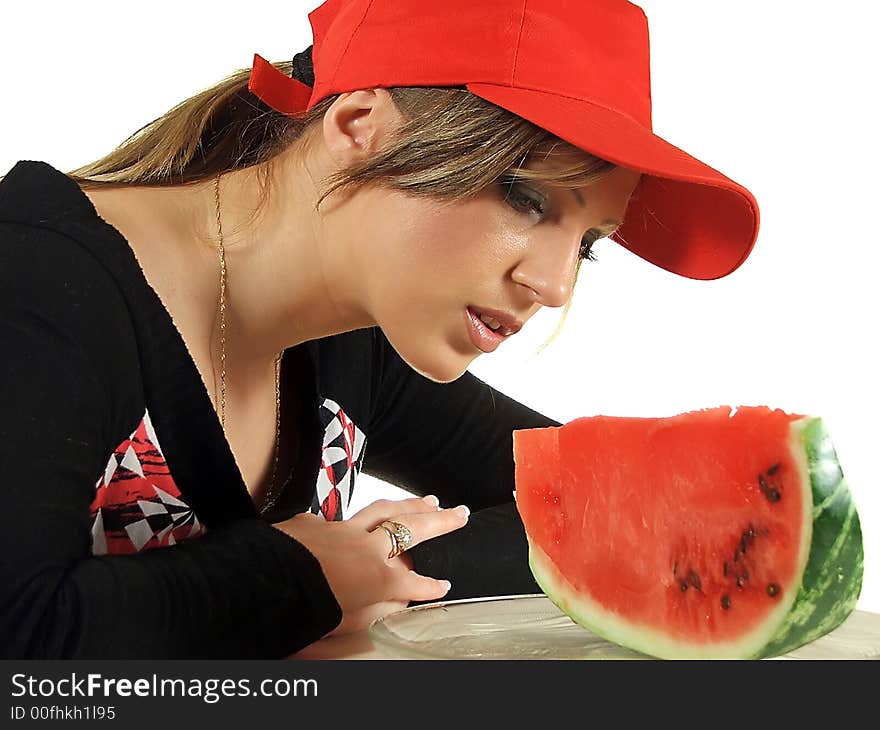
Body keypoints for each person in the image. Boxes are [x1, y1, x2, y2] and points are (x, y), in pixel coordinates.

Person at [0, 0, 758, 658]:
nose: (555, 285)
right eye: (527, 199)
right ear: (361, 124)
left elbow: (622, 514)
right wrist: (301, 580)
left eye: (589, 243)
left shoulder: (349, 335)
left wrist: (372, 565)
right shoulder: (37, 282)